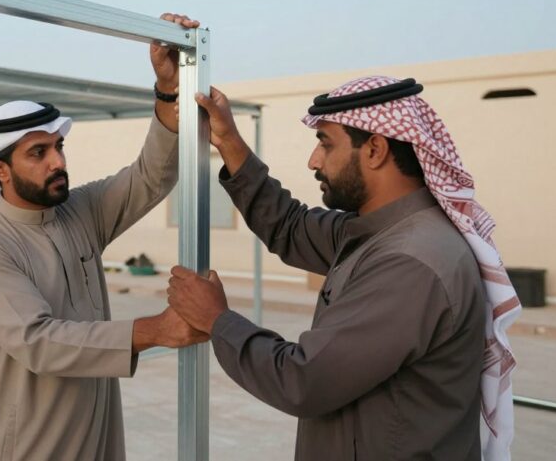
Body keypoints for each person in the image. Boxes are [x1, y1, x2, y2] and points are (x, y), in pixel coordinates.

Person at [167, 77, 521, 460]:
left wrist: (217, 320)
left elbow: (304, 381)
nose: (314, 161)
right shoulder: (379, 230)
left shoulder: (410, 262)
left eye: (325, 143)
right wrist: (229, 141)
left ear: (375, 150)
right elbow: (290, 227)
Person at [0, 14, 208, 461]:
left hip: (94, 434)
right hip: (21, 444)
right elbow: (39, 341)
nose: (57, 162)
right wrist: (155, 330)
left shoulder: (79, 213)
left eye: (58, 147)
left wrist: (167, 88)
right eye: (38, 153)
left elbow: (151, 177)